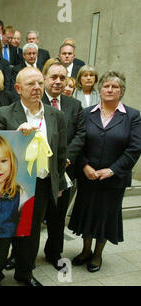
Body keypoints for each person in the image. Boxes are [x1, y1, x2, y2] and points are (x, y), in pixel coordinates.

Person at [0, 67, 67, 286]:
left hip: (41, 184)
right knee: (4, 232)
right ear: (18, 88)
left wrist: (58, 183)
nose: (36, 88)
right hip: (11, 183)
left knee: (31, 233)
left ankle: (24, 273)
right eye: (31, 84)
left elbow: (60, 153)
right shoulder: (6, 112)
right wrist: (15, 136)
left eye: (40, 83)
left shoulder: (56, 115)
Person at [68, 71, 141, 273]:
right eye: (107, 86)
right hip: (88, 176)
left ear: (121, 92)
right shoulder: (86, 112)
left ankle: (98, 254)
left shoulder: (132, 116)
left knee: (105, 217)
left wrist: (112, 170)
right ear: (100, 90)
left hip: (113, 180)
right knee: (87, 215)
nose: (110, 90)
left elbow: (135, 148)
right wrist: (84, 166)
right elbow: (78, 143)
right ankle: (85, 250)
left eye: (115, 87)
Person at [41, 59, 86, 270]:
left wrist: (65, 156)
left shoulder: (74, 105)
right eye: (54, 77)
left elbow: (80, 134)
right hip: (37, 170)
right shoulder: (34, 100)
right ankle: (19, 254)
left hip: (63, 171)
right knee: (29, 215)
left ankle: (54, 252)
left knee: (57, 217)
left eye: (62, 77)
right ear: (44, 78)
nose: (58, 82)